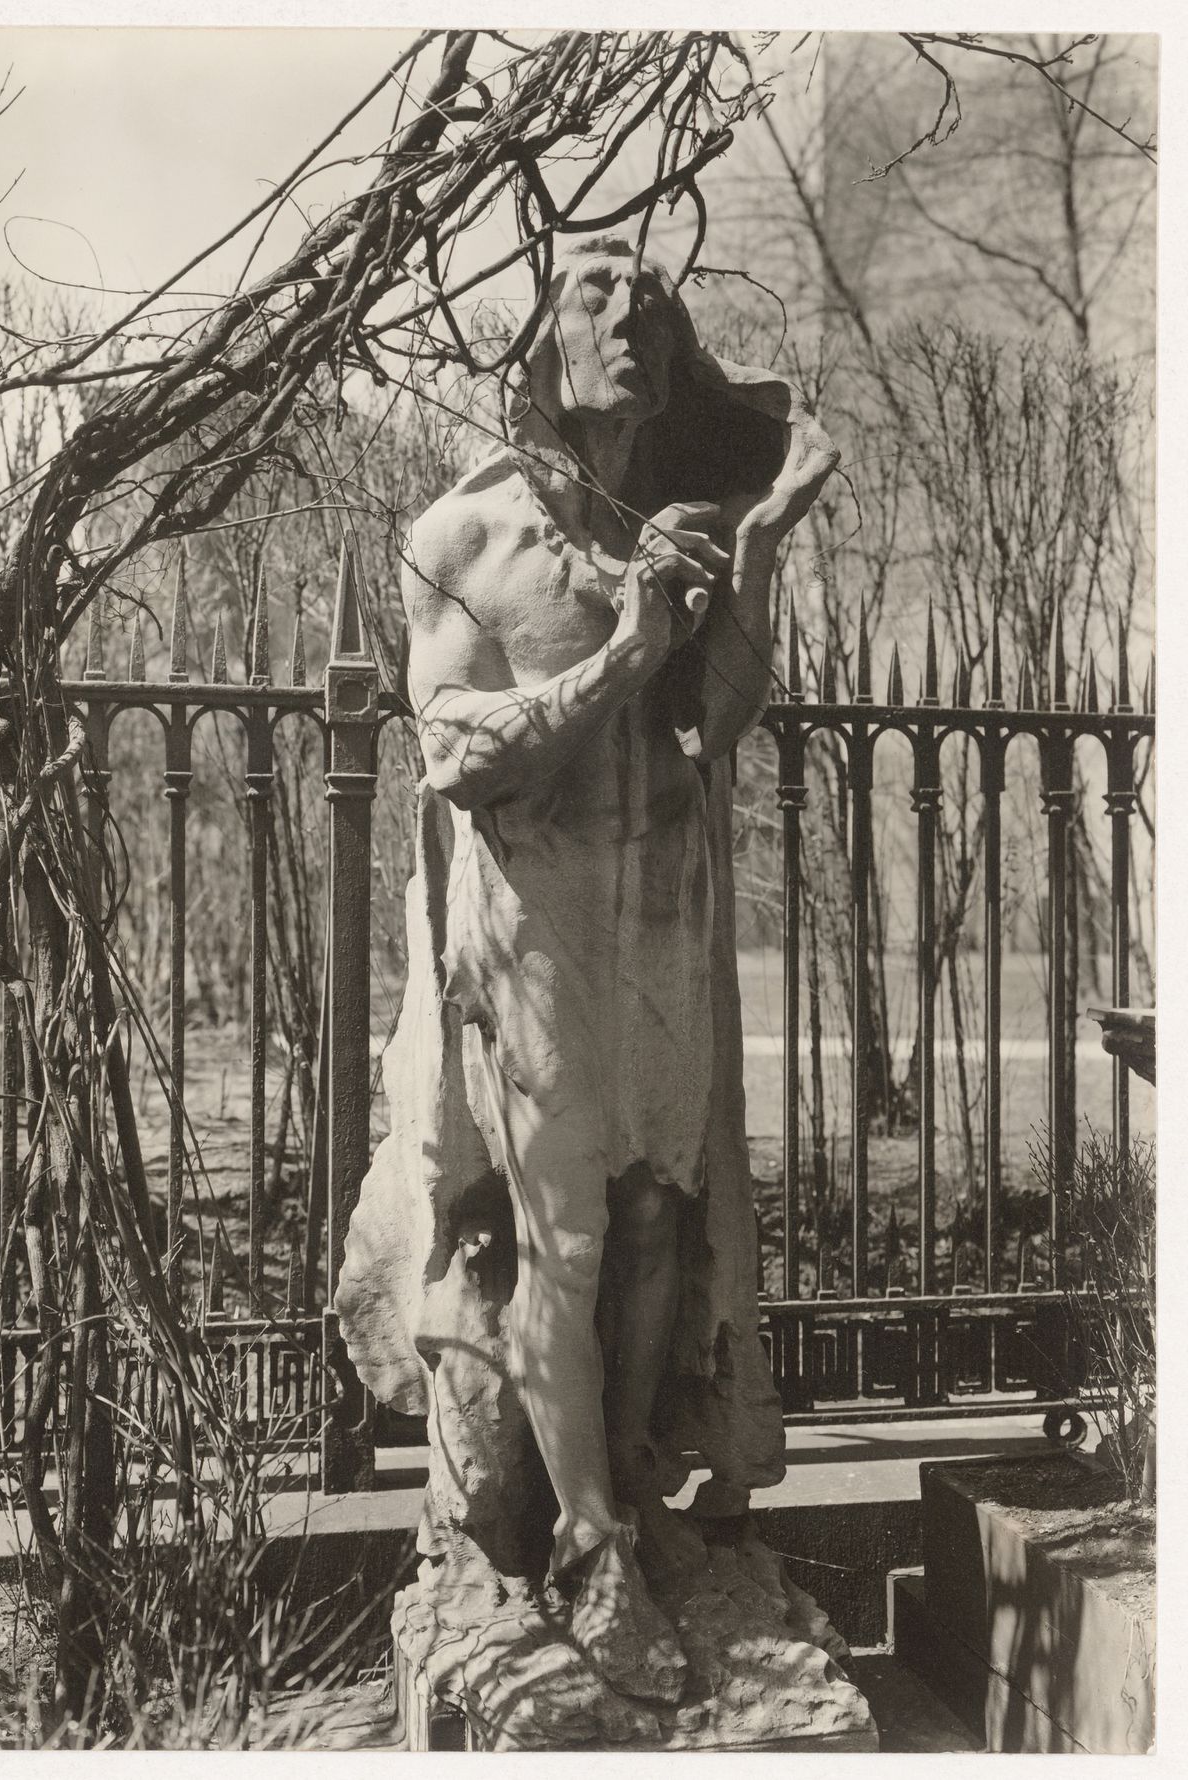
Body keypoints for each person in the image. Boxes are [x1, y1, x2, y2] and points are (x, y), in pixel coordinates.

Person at [335, 235, 839, 1700]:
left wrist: (754, 555)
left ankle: (621, 1492)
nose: (631, 317)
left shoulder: (675, 518)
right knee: (558, 1234)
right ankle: (591, 1547)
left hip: (667, 903)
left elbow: (722, 721)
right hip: (537, 917)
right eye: (595, 291)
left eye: (651, 301)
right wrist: (625, 651)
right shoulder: (465, 535)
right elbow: (452, 756)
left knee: (664, 1222)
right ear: (542, 342)